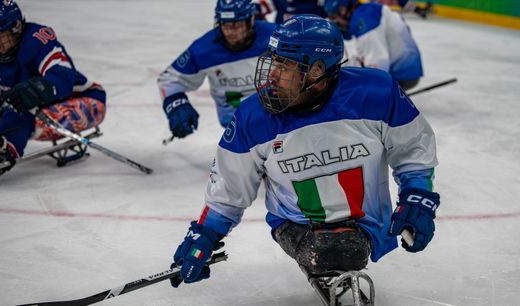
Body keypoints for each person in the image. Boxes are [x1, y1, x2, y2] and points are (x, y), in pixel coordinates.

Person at [170, 14, 440, 290]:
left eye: (284, 65)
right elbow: (229, 187)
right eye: (273, 60)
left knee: (342, 249)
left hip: (366, 223)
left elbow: (413, 148)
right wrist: (203, 234)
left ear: (316, 72)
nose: (272, 74)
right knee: (334, 250)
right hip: (295, 224)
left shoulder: (376, 92)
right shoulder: (253, 116)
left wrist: (418, 196)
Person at [0, 0, 106, 185]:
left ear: (16, 27)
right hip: (41, 113)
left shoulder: (37, 40)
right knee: (3, 113)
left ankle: (2, 152)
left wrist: (35, 89)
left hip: (87, 102)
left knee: (19, 110)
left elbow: (63, 78)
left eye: (0, 35)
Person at [157, 0, 275, 139]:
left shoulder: (275, 37)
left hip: (279, 114)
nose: (231, 32)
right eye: (225, 24)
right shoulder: (203, 50)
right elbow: (170, 79)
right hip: (238, 123)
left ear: (251, 20)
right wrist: (176, 104)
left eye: (237, 24)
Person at [324, 0, 424, 90]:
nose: (336, 22)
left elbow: (379, 62)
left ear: (343, 10)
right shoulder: (367, 10)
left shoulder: (364, 17)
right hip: (407, 70)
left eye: (334, 16)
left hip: (402, 75)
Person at [255, 0, 327, 24]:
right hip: (283, 41)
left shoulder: (320, 3)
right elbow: (254, 8)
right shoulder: (280, 2)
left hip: (311, 42)